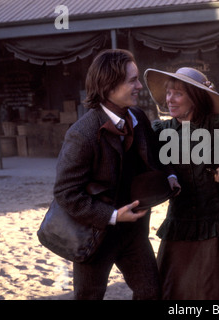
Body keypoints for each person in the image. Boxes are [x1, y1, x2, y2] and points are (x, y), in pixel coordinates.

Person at [53, 49, 177, 300]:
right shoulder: (82, 134)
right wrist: (111, 216)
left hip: (134, 233)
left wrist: (170, 176)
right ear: (109, 85)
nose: (139, 86)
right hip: (94, 235)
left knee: (151, 293)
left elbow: (159, 155)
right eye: (132, 80)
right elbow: (65, 193)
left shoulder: (139, 117)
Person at [144, 67, 219, 300]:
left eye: (177, 93)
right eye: (168, 93)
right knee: (173, 290)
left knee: (217, 293)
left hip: (217, 224)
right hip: (179, 223)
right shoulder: (161, 131)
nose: (169, 99)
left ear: (196, 98)